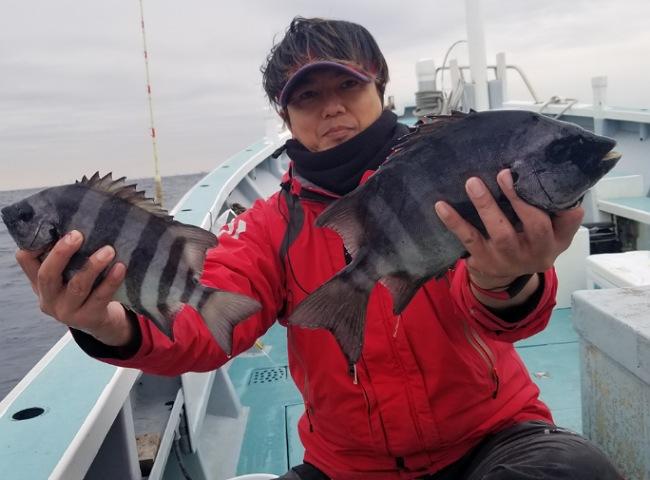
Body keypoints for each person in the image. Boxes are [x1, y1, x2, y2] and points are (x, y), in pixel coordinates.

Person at [16, 17, 622, 480]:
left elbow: (498, 313)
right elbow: (209, 318)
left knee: (575, 471)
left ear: (378, 85)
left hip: (493, 436)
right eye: (307, 96)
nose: (332, 106)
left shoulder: (457, 175)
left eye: (348, 84)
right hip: (346, 465)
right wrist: (110, 325)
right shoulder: (268, 226)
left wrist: (508, 279)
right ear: (286, 115)